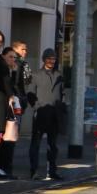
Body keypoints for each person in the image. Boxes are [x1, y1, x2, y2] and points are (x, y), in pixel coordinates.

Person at [27, 48, 64, 180]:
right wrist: (37, 107)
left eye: (53, 58)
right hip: (41, 114)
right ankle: (34, 171)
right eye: (49, 58)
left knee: (53, 145)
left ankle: (52, 171)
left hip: (54, 116)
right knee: (35, 144)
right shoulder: (36, 75)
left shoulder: (59, 75)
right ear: (44, 59)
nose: (51, 61)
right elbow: (30, 94)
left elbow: (61, 94)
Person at [0, 48, 20, 177]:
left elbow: (18, 86)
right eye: (10, 57)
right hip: (3, 107)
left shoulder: (13, 69)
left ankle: (5, 168)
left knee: (8, 139)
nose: (13, 60)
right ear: (4, 56)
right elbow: (9, 87)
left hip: (9, 108)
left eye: (14, 57)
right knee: (3, 137)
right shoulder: (2, 68)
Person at [0, 31, 12, 179]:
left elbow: (7, 82)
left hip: (0, 101)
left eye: (0, 41)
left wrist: (10, 97)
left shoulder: (0, 60)